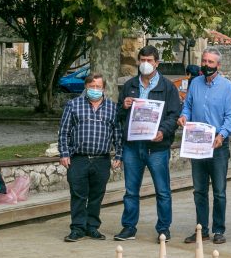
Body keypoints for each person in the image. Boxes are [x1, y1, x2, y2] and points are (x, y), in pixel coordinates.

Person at [114, 45, 181, 243]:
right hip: (133, 147)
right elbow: (119, 114)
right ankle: (128, 227)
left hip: (157, 148)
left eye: (149, 60)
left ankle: (163, 228)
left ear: (157, 62)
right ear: (138, 61)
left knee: (162, 190)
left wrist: (163, 132)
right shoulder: (130, 85)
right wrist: (124, 107)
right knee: (131, 191)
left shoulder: (168, 87)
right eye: (142, 60)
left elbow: (174, 115)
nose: (145, 64)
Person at [178, 47, 231, 245]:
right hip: (197, 143)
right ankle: (201, 229)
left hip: (218, 144)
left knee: (219, 190)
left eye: (211, 62)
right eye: (204, 61)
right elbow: (187, 105)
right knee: (199, 190)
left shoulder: (228, 87)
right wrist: (184, 116)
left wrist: (222, 135)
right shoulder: (194, 83)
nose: (206, 65)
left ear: (218, 66)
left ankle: (219, 230)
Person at [58, 73, 122, 242]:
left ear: (103, 89)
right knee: (78, 194)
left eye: (98, 87)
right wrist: (64, 153)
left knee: (96, 195)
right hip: (78, 158)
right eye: (91, 86)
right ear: (86, 87)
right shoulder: (73, 105)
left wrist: (119, 154)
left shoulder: (112, 108)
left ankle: (92, 227)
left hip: (102, 159)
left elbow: (117, 133)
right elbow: (64, 132)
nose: (95, 90)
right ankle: (77, 228)